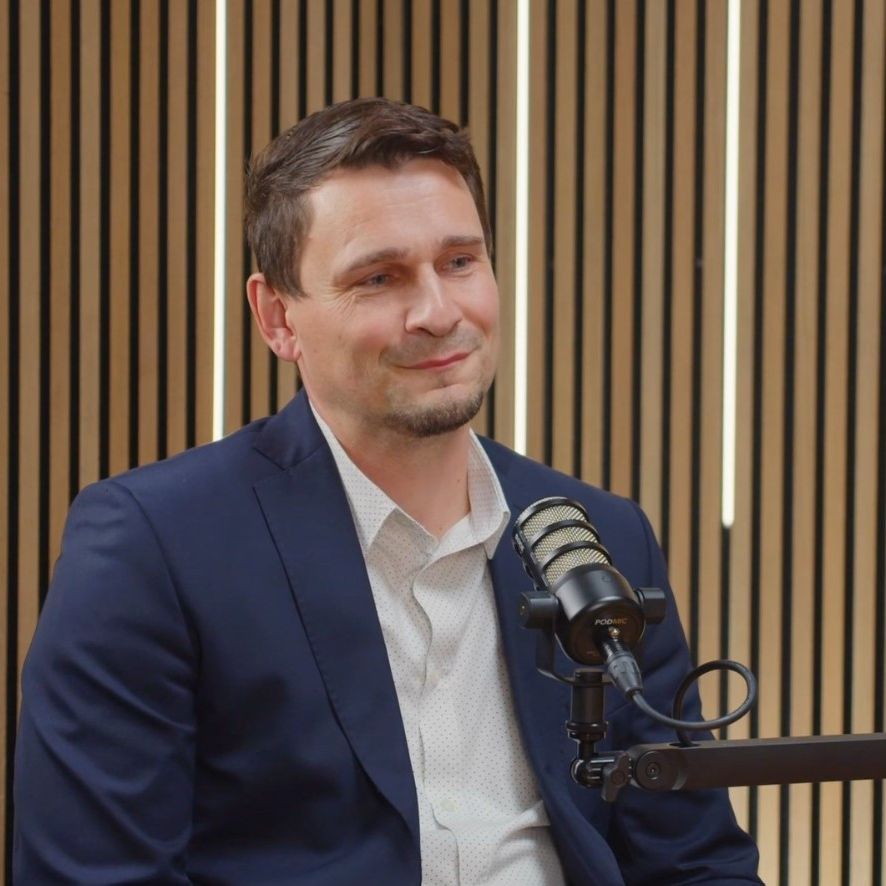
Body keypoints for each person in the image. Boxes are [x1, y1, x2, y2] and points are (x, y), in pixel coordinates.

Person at [14, 97, 760, 885]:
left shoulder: (602, 535)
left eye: (460, 262)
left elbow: (696, 863)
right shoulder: (152, 547)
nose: (439, 313)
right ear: (277, 317)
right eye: (379, 278)